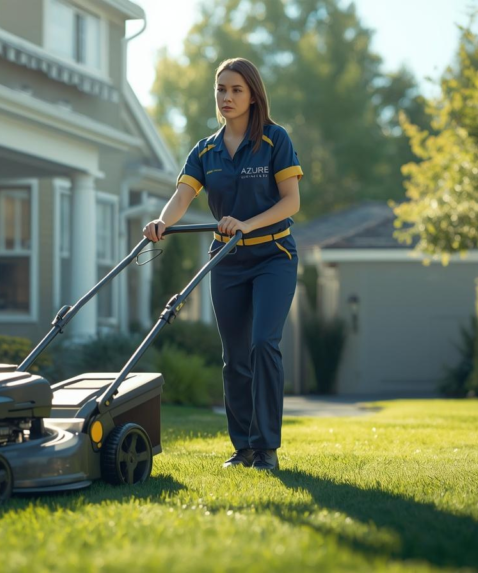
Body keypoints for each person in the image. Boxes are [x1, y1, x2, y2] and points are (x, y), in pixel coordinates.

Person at [143, 58, 302, 472]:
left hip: (273, 256)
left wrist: (247, 224)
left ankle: (266, 448)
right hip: (227, 260)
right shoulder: (205, 150)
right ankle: (243, 447)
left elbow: (291, 202)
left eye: (236, 90)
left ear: (253, 96)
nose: (226, 97)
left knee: (263, 343)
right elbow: (182, 197)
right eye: (221, 89)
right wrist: (162, 222)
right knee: (235, 356)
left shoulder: (274, 139)